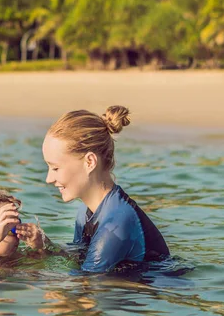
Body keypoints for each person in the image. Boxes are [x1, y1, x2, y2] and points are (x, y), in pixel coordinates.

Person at [42, 105, 170, 273]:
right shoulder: (85, 211)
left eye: (56, 168)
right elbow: (79, 259)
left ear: (89, 162)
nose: (48, 179)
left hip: (155, 290)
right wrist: (44, 247)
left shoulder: (116, 222)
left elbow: (87, 283)